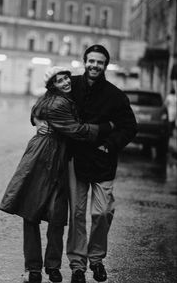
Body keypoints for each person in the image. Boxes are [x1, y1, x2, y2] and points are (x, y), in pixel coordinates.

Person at [0, 66, 114, 283]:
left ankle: (41, 268)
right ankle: (42, 268)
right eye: (60, 80)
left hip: (52, 157)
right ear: (52, 85)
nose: (66, 83)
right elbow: (77, 130)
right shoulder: (60, 102)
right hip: (44, 158)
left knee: (49, 214)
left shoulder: (53, 98)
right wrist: (106, 128)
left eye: (66, 78)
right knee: (42, 213)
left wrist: (36, 119)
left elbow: (35, 111)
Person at [37, 45, 137, 282]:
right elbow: (47, 101)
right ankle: (78, 265)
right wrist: (37, 118)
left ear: (105, 65)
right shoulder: (71, 85)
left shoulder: (116, 95)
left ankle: (97, 259)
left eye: (99, 62)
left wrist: (110, 144)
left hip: (104, 161)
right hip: (76, 159)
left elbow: (130, 127)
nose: (94, 65)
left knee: (103, 212)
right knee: (78, 215)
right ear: (84, 62)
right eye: (91, 61)